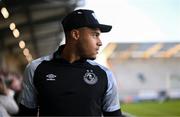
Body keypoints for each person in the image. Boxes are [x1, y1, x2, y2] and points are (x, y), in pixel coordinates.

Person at [18, 9, 122, 116]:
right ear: (75, 34)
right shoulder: (36, 68)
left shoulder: (104, 74)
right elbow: (26, 113)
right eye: (95, 35)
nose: (100, 42)